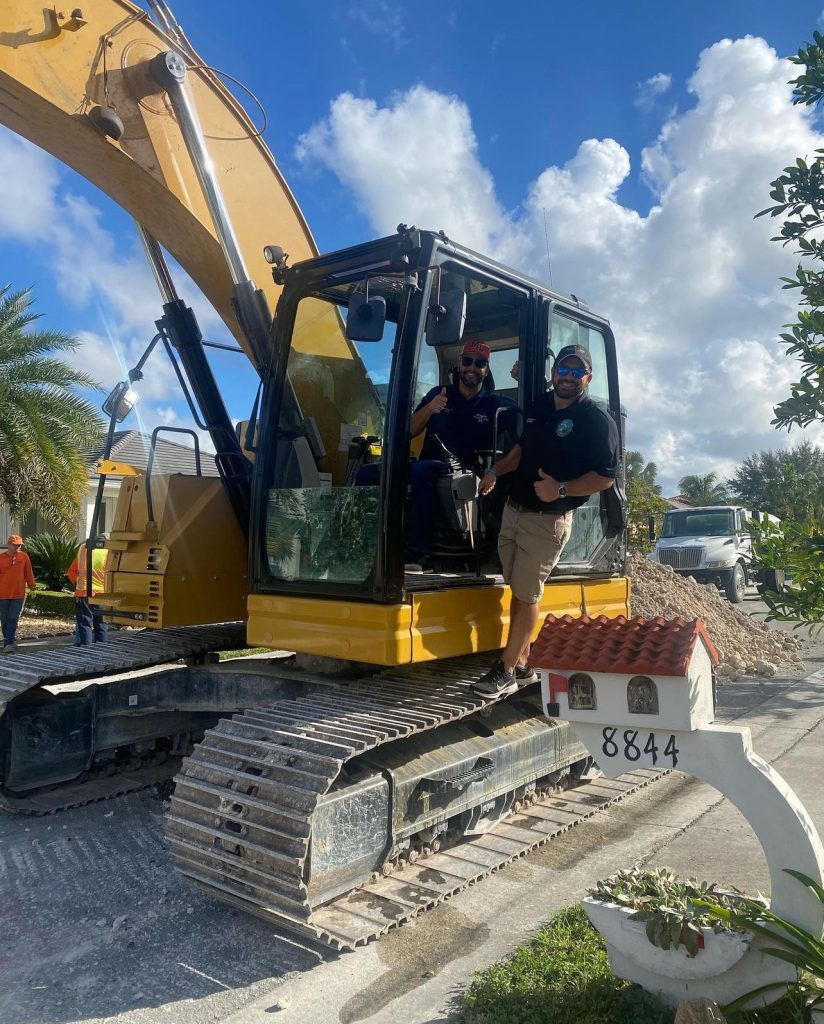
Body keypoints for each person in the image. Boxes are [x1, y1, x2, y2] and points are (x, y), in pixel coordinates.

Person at [472, 344, 619, 696]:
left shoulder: (597, 420)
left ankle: (505, 670)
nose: (568, 377)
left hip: (548, 520)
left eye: (576, 372)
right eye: (563, 370)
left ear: (589, 377)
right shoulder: (540, 406)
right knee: (518, 590)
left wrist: (561, 489)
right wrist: (494, 469)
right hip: (515, 511)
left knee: (527, 593)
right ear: (554, 373)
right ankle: (522, 665)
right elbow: (522, 449)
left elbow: (606, 477)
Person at [359, 339, 514, 567]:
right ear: (459, 365)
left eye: (479, 363)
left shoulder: (496, 403)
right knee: (367, 473)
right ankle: (361, 547)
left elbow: (529, 427)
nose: (472, 367)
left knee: (422, 471)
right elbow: (409, 429)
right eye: (467, 361)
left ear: (486, 369)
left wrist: (494, 472)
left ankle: (417, 554)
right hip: (430, 464)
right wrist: (430, 408)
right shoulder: (439, 393)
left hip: (467, 471)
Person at [67, 534, 110, 645]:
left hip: (83, 592)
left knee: (85, 622)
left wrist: (77, 583)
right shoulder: (109, 553)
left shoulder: (83, 549)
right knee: (101, 623)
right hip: (102, 594)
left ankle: (86, 649)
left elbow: (71, 571)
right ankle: (102, 649)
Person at [0, 534, 36, 653]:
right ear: (9, 544)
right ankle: (10, 639)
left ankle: (8, 643)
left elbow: (28, 572)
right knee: (4, 619)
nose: (17, 547)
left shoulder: (24, 557)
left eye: (19, 545)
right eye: (15, 545)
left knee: (13, 618)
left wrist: (32, 586)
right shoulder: (1, 558)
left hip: (18, 594)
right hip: (3, 594)